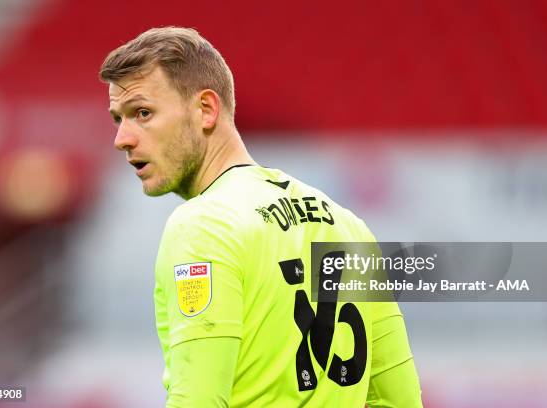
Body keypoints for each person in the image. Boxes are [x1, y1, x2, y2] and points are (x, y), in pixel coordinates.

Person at [100, 27, 422, 407]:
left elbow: (199, 400)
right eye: (119, 119)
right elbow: (400, 399)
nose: (123, 138)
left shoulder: (203, 226)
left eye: (142, 113)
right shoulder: (346, 224)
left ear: (206, 109)